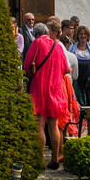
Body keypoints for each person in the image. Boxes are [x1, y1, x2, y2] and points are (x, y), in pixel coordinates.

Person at [24, 16, 71, 168]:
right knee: (54, 125)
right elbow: (66, 69)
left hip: (39, 88)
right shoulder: (58, 46)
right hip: (55, 90)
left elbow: (26, 65)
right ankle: (55, 158)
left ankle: (39, 160)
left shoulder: (36, 43)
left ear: (36, 34)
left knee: (39, 124)